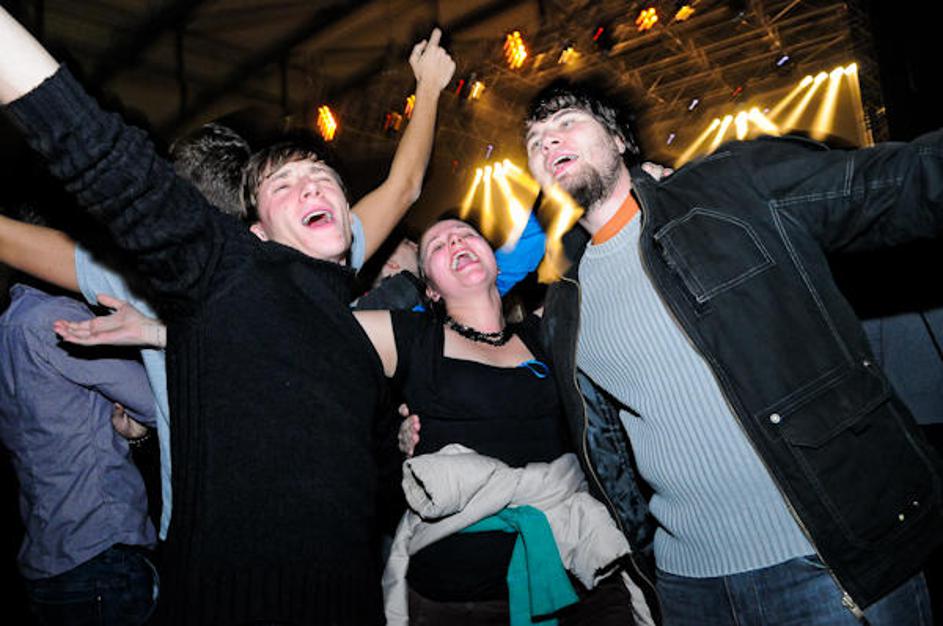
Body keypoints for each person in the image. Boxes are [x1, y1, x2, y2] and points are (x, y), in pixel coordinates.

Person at [0, 8, 455, 624]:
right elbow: (102, 155)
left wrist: (428, 85)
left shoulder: (334, 279)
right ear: (256, 231)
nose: (310, 186)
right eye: (282, 184)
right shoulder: (230, 269)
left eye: (320, 175)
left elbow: (403, 186)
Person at [519, 78, 943, 624]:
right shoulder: (566, 304)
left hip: (823, 562)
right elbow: (609, 455)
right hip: (688, 587)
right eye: (535, 141)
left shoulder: (726, 191)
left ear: (620, 140)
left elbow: (897, 182)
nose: (549, 142)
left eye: (566, 123)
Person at [353, 216, 654, 625]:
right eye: (437, 245)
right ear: (431, 289)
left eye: (466, 234)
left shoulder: (544, 331)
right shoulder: (411, 337)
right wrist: (388, 430)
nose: (454, 241)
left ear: (496, 264)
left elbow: (606, 268)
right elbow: (313, 326)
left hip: (579, 570)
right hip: (461, 597)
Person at [0, 279, 158, 625]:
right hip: (97, 550)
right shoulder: (56, 318)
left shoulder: (9, 324)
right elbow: (159, 403)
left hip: (49, 556)